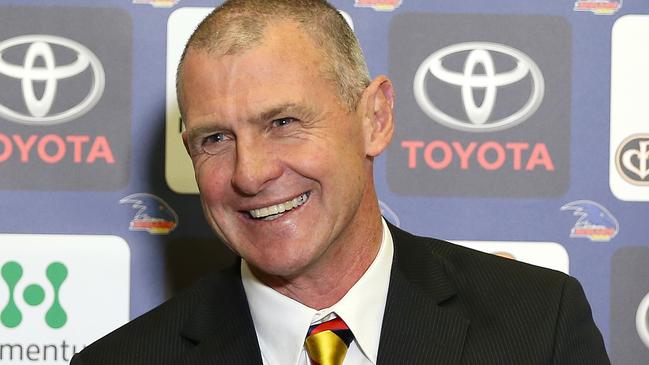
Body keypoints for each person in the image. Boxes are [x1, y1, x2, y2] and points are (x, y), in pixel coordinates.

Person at [71, 0, 610, 364]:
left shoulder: (540, 327)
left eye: (282, 123)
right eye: (215, 139)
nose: (250, 173)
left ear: (374, 118)